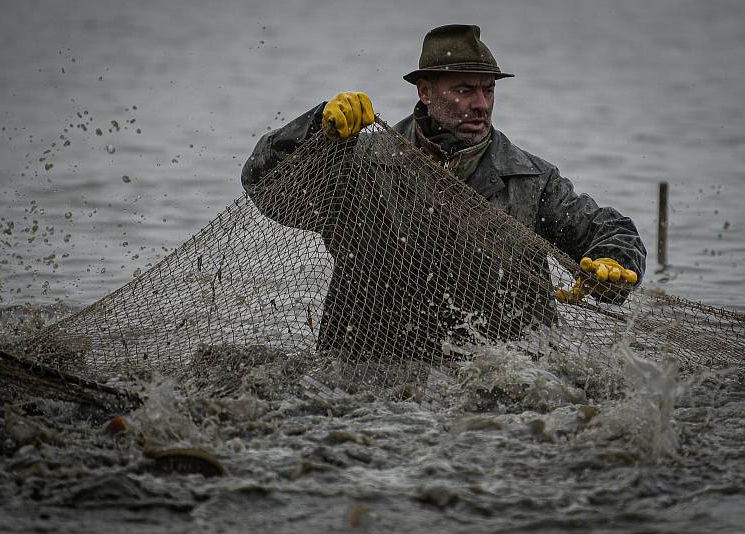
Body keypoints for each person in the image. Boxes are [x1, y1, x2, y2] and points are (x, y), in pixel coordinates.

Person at [242, 24, 646, 357]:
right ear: (425, 92)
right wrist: (316, 128)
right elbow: (267, 185)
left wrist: (613, 261)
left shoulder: (532, 179)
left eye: (488, 90)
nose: (481, 105)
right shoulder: (359, 163)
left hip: (502, 374)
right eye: (465, 90)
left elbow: (609, 230)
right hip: (370, 366)